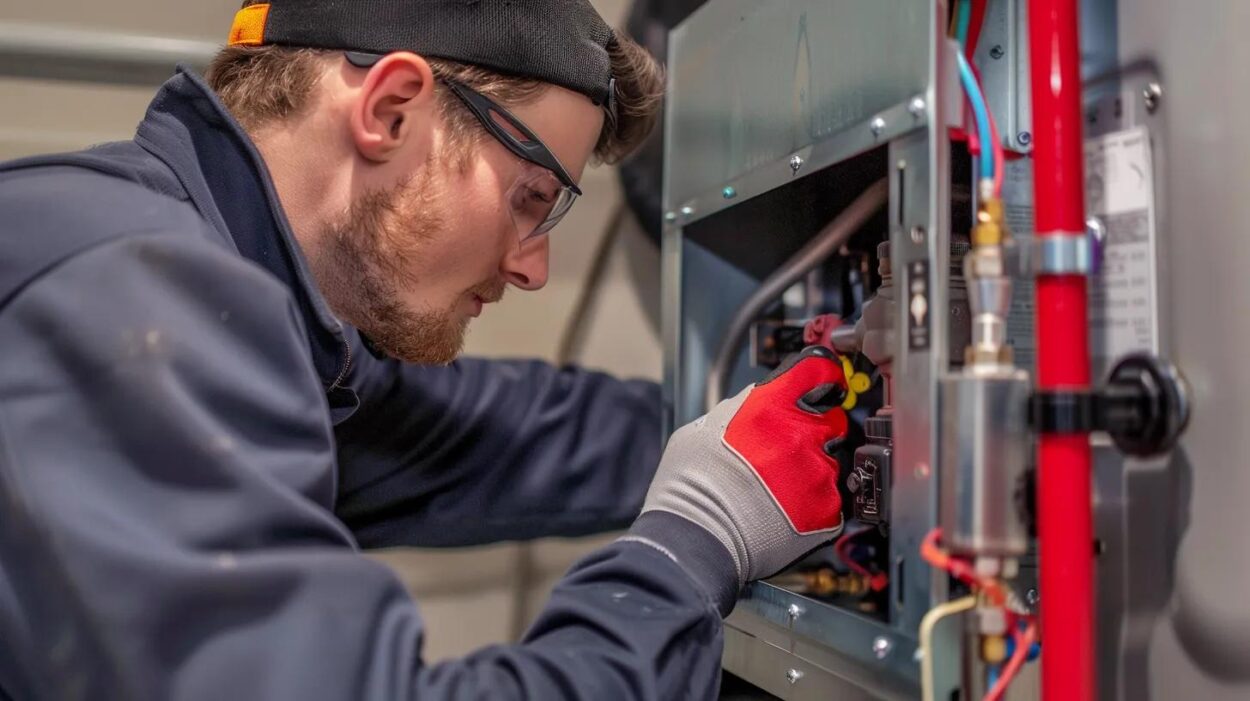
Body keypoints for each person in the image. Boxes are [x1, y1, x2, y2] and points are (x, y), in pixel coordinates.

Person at [0, 1, 851, 698]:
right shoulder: (134, 301)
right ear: (389, 109)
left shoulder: (231, 299)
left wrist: (763, 431)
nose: (533, 266)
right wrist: (694, 541)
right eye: (530, 197)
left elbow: (502, 437)